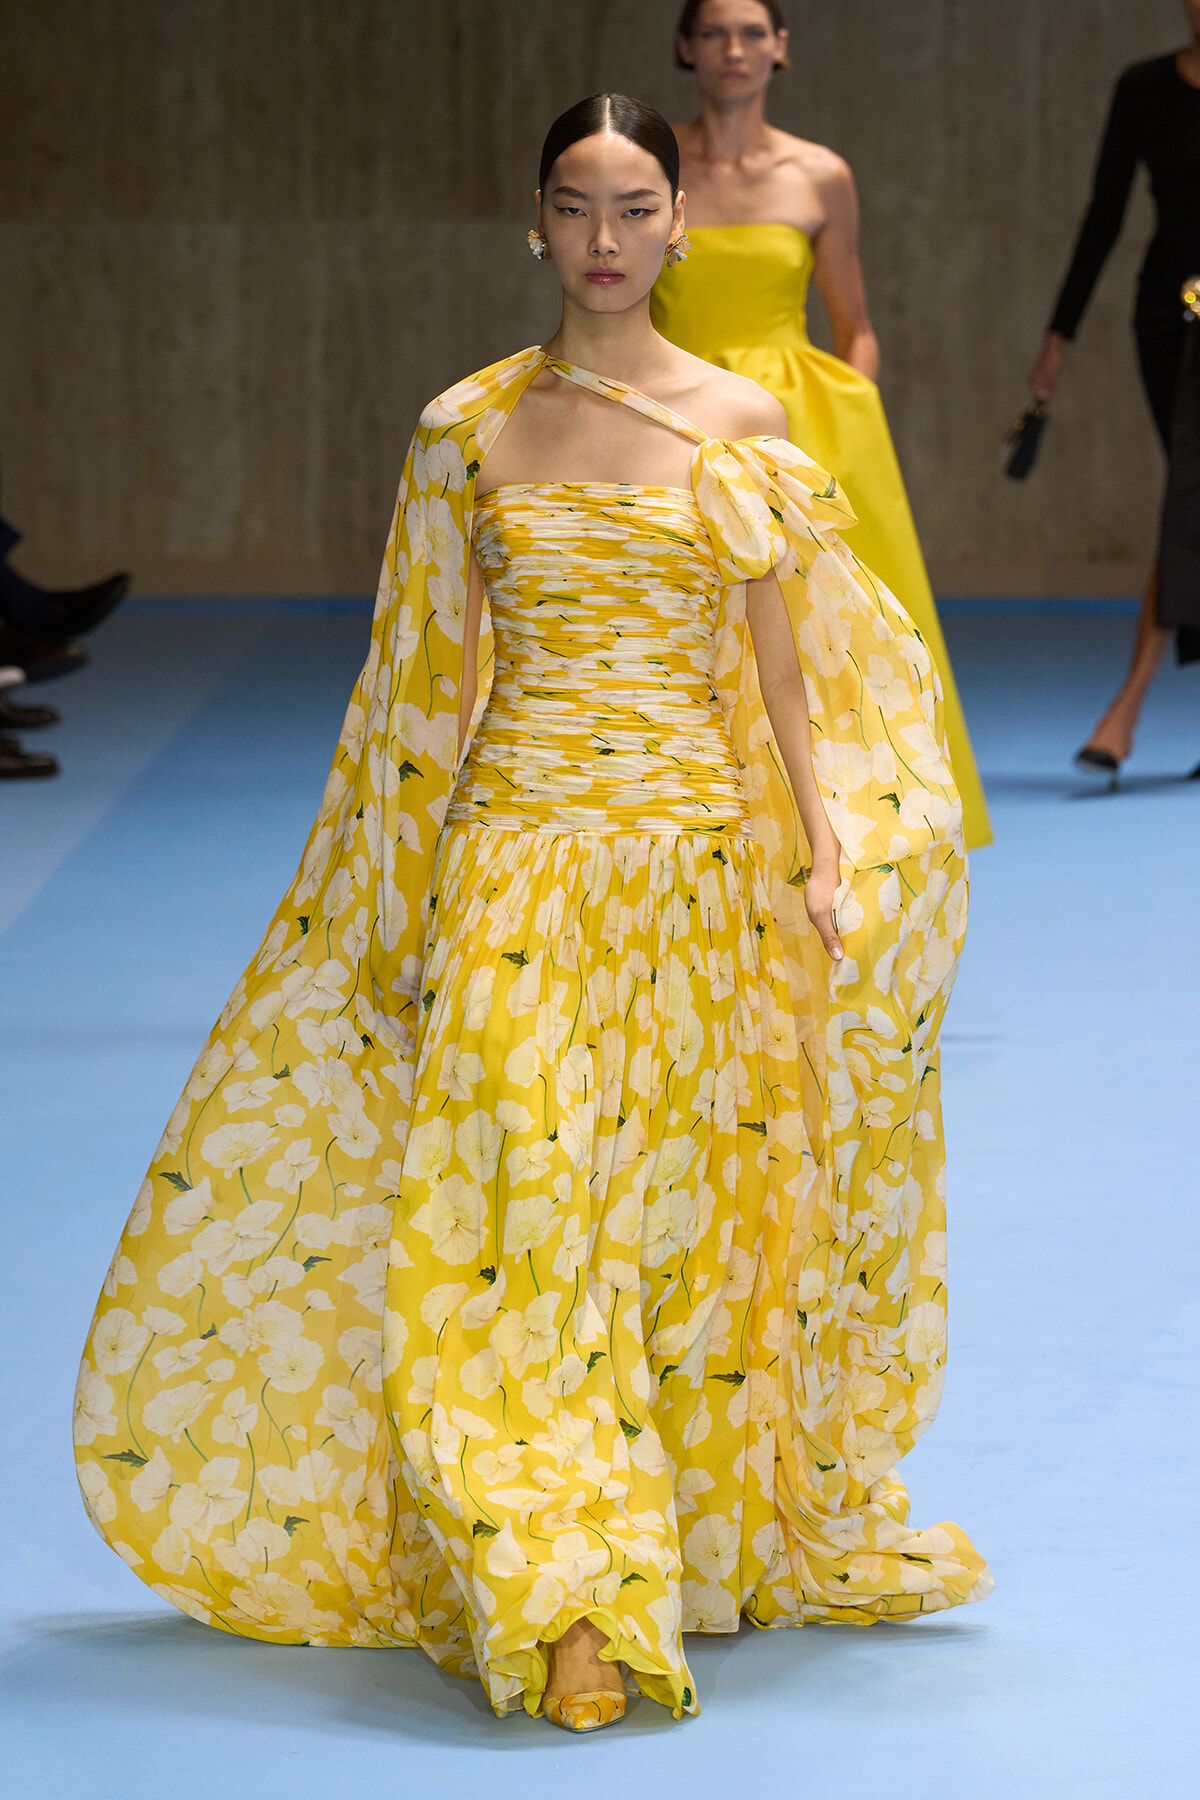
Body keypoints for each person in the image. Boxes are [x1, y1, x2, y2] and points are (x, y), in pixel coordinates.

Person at [74, 93, 989, 1735]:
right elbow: (419, 690)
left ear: (678, 227)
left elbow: (789, 671)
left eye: (637, 208)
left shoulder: (743, 431)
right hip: (514, 865)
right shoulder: (466, 432)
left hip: (697, 878)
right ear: (535, 224)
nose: (608, 241)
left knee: (677, 1228)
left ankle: (672, 1531)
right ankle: (560, 1583)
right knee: (515, 1231)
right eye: (578, 207)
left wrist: (831, 853)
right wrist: (394, 888)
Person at [651, 0, 991, 849]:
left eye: (753, 32)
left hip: (794, 427)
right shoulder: (652, 168)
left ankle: (856, 835)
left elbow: (856, 324)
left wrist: (850, 424)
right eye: (716, 33)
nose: (736, 49)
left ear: (781, 49)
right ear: (686, 48)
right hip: (670, 418)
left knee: (822, 636)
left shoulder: (820, 174)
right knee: (685, 630)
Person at [1030, 2, 1200, 777]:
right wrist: (1058, 335)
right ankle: (1129, 709)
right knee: (1190, 503)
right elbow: (1105, 213)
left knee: (1189, 505)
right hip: (1169, 319)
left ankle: (1125, 710)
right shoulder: (1143, 87)